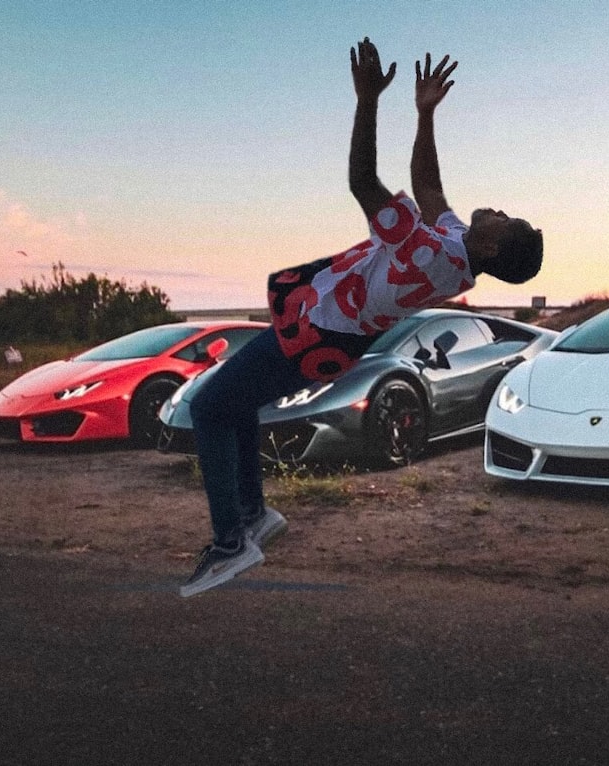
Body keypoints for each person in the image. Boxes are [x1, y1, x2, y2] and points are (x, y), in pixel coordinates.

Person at [180, 37, 543, 597]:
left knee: (208, 408)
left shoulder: (432, 253)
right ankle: (252, 516)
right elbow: (429, 186)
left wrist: (368, 99)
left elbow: (363, 182)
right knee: (238, 404)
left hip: (319, 333)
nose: (497, 208)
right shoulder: (452, 244)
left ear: (495, 249)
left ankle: (231, 542)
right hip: (323, 329)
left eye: (506, 220)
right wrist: (424, 115)